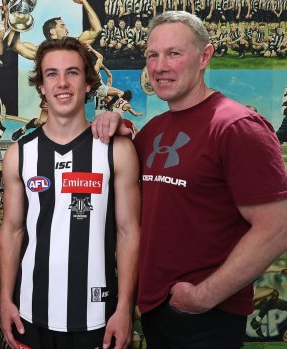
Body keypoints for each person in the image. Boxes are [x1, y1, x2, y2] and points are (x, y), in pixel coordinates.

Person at [91, 11, 287, 348]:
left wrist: (202, 297)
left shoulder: (236, 126)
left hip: (205, 317)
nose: (160, 66)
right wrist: (114, 123)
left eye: (174, 53)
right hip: (157, 310)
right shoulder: (153, 131)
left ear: (205, 57)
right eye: (153, 55)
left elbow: (278, 227)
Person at [0, 37, 140, 349]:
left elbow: (128, 232)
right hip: (30, 312)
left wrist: (124, 308)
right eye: (51, 74)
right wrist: (6, 300)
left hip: (98, 315)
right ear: (41, 86)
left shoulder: (117, 150)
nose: (62, 83)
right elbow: (12, 230)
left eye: (72, 73)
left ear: (89, 83)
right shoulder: (19, 153)